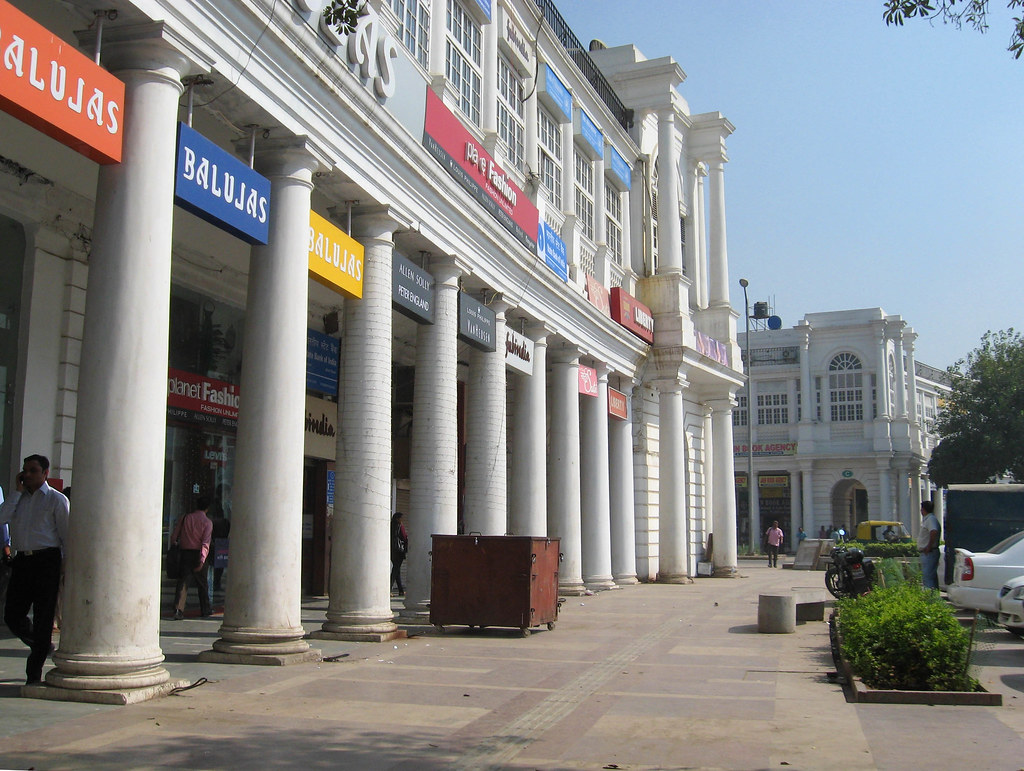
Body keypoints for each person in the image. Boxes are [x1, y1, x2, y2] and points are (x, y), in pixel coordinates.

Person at [1, 455, 70, 684]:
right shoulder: (18, 499)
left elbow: (66, 535)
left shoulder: (56, 500)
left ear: (44, 473)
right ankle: (40, 643)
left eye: (33, 470)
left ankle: (34, 672)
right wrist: (17, 492)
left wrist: (65, 565)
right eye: (25, 470)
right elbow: (2, 517)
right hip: (23, 561)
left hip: (46, 561)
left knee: (43, 616)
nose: (28, 475)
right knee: (12, 614)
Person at [170, 495, 213, 619]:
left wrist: (176, 544)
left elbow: (174, 536)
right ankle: (205, 609)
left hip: (185, 553)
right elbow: (205, 542)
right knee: (202, 583)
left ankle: (178, 609)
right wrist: (202, 559)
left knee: (183, 582)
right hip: (198, 553)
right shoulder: (207, 522)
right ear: (207, 508)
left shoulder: (185, 518)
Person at [918, 500, 941, 590]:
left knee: (927, 577)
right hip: (928, 552)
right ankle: (933, 596)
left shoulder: (930, 519)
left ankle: (930, 598)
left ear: (923, 509)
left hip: (929, 552)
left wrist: (929, 546)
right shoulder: (928, 519)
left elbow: (933, 531)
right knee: (930, 576)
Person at [390, 512, 408, 595]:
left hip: (392, 550)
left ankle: (400, 590)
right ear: (398, 518)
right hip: (399, 550)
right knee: (395, 570)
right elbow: (404, 536)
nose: (402, 520)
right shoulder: (400, 526)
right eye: (401, 518)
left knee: (397, 570)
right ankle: (388, 589)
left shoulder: (390, 525)